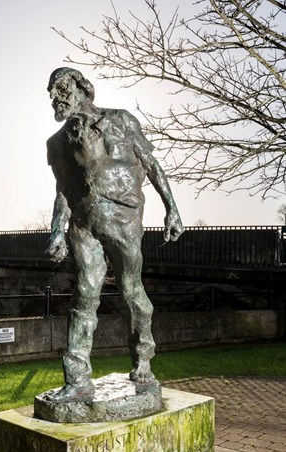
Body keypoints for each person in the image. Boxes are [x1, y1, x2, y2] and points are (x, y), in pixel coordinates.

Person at [46, 67, 183, 402]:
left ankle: (142, 365)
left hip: (125, 219)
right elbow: (63, 189)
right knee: (84, 295)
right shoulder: (58, 142)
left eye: (61, 88)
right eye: (51, 92)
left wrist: (172, 208)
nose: (55, 97)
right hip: (84, 224)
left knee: (132, 291)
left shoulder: (122, 120)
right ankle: (77, 379)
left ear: (82, 88)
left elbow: (151, 164)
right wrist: (56, 232)